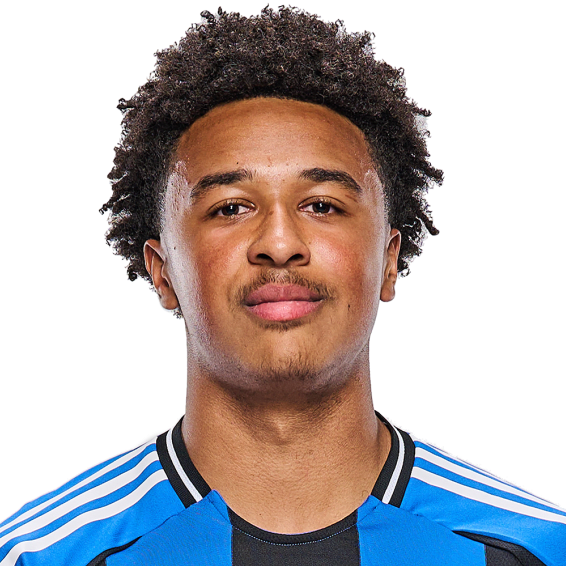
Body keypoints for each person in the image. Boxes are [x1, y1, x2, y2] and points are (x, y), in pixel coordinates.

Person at [1, 6, 564, 566]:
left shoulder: (536, 551)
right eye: (230, 208)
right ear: (162, 271)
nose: (278, 242)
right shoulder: (39, 555)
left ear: (390, 260)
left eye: (322, 205)